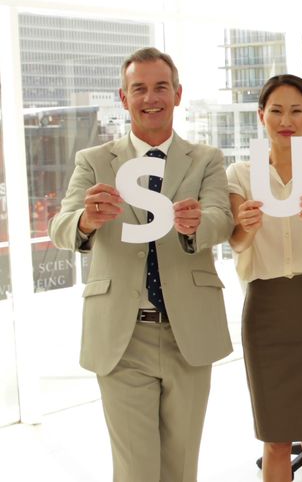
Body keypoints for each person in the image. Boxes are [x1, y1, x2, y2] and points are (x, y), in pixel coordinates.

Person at [48, 47, 233, 482]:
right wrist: (87, 220)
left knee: (181, 466)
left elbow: (221, 219)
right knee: (136, 470)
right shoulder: (94, 161)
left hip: (187, 330)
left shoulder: (205, 159)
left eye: (160, 87)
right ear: (124, 96)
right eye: (140, 89)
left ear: (178, 93)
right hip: (121, 335)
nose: (151, 98)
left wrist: (194, 226)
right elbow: (61, 226)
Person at [226, 74, 302, 482]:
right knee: (274, 439)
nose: (285, 120)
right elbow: (239, 244)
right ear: (261, 116)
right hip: (265, 310)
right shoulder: (240, 174)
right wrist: (247, 224)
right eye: (275, 110)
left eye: (296, 110)